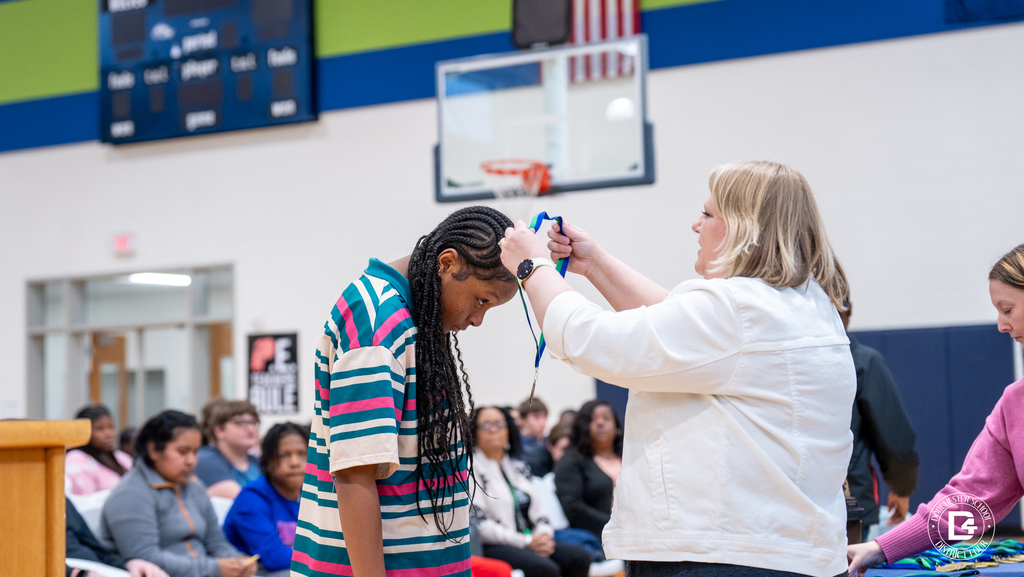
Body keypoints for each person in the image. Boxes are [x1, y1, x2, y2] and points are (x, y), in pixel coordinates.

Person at [499, 161, 855, 577]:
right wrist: (594, 264)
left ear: (743, 227)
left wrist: (532, 267)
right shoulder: (800, 306)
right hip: (773, 553)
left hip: (724, 559)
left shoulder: (736, 310)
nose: (695, 226)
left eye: (707, 214)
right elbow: (676, 326)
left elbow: (590, 339)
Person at [292, 207, 520, 577]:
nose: (478, 319)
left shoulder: (411, 316)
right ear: (447, 263)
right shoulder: (377, 322)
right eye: (482, 300)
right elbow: (354, 475)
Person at [847, 244, 1024, 576]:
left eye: (1007, 308)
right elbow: (969, 500)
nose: (1001, 324)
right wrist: (882, 547)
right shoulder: (1015, 403)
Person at [101, 410, 256, 577]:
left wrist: (237, 562)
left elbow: (215, 542)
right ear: (153, 450)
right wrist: (214, 569)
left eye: (195, 452)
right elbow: (146, 558)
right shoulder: (131, 494)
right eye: (183, 452)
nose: (191, 461)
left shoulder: (194, 486)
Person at [470, 406, 592, 577]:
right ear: (474, 432)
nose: (494, 430)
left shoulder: (518, 466)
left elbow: (540, 513)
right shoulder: (469, 470)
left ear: (509, 430)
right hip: (495, 544)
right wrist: (526, 542)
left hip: (531, 539)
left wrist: (543, 536)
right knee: (545, 568)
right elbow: (480, 525)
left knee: (578, 557)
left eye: (499, 424)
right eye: (486, 425)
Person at [839, 293, 919, 537]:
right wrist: (901, 487)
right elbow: (894, 437)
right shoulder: (862, 361)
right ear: (849, 310)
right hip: (848, 500)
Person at [223, 422, 308, 576]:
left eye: (302, 454)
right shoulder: (251, 498)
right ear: (267, 460)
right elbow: (274, 558)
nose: (295, 463)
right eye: (285, 455)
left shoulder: (309, 494)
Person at [554, 400, 622, 540]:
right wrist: (614, 526)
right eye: (593, 419)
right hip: (598, 536)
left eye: (606, 418)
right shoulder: (571, 461)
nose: (600, 423)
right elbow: (573, 507)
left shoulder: (629, 456)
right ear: (582, 425)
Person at [66, 497, 168, 577]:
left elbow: (98, 551)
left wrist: (127, 564)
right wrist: (76, 574)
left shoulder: (60, 498)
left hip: (98, 569)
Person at [194, 400, 261, 499]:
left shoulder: (258, 461)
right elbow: (243, 500)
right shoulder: (205, 460)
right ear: (219, 430)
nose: (250, 428)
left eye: (253, 422)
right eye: (240, 423)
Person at [66, 405, 133, 495]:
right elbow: (84, 502)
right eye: (100, 429)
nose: (109, 434)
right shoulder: (76, 459)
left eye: (111, 427)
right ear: (84, 432)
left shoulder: (121, 457)